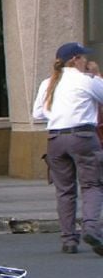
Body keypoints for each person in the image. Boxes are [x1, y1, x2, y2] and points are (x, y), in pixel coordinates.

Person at [32, 42, 103, 255]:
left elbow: (38, 113)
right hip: (83, 137)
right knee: (92, 184)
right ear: (75, 59)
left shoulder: (48, 83)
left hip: (55, 139)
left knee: (64, 191)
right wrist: (97, 75)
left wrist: (59, 113)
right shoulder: (86, 80)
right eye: (83, 57)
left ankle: (69, 240)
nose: (86, 61)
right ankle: (91, 229)